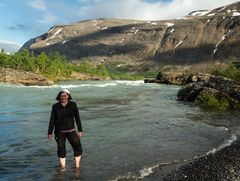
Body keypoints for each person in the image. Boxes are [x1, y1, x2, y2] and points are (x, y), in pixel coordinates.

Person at [48, 89, 83, 169]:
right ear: (59, 97)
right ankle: (63, 167)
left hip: (71, 131)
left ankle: (77, 166)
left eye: (65, 95)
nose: (63, 97)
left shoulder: (73, 105)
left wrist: (80, 130)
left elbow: (77, 118)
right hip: (59, 132)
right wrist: (50, 132)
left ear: (68, 96)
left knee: (78, 146)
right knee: (61, 149)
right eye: (61, 96)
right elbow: (52, 120)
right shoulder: (55, 106)